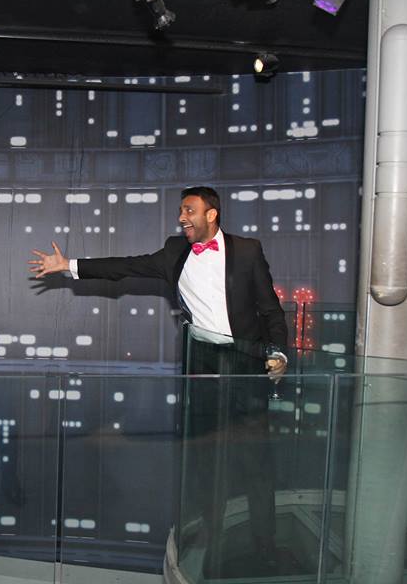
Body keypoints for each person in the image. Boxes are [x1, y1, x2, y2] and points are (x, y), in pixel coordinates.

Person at [29, 185, 287, 574]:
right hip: (201, 364)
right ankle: (209, 544)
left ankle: (266, 548)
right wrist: (69, 265)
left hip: (246, 366)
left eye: (189, 211)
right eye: (181, 211)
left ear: (211, 214)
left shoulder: (247, 250)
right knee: (204, 459)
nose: (182, 218)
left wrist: (279, 353)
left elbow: (271, 309)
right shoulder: (175, 252)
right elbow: (126, 266)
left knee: (255, 463)